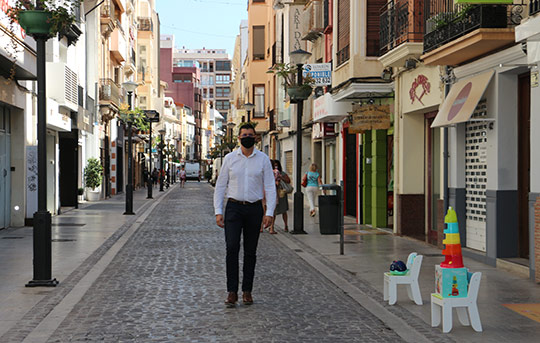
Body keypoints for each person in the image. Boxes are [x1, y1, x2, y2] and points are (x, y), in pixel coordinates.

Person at [214, 123, 276, 308]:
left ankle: (247, 290)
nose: (247, 137)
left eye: (251, 134)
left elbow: (270, 187)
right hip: (233, 208)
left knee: (250, 251)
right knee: (232, 248)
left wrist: (270, 212)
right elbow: (220, 185)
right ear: (239, 137)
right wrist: (218, 211)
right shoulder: (230, 159)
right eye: (244, 134)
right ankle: (232, 291)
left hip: (254, 209)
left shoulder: (263, 159)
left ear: (255, 137)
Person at [272, 160, 290, 232]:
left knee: (284, 210)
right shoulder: (271, 173)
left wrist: (281, 177)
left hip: (281, 193)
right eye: (274, 165)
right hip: (274, 193)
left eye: (277, 165)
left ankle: (286, 225)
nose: (276, 167)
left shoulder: (282, 173)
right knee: (274, 211)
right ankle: (272, 227)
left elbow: (288, 181)